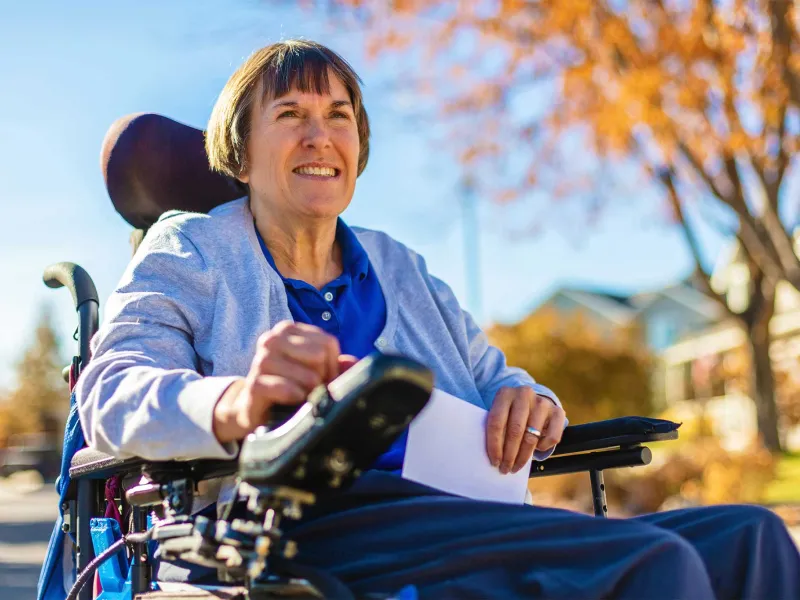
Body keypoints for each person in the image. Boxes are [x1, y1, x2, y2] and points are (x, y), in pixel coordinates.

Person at [75, 39, 800, 599]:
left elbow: (493, 376)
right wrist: (235, 401)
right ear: (239, 151)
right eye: (290, 115)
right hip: (301, 527)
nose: (319, 136)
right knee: (654, 563)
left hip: (456, 516)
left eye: (339, 117)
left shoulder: (401, 267)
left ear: (358, 146)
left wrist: (532, 402)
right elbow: (112, 390)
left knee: (751, 536)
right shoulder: (194, 249)